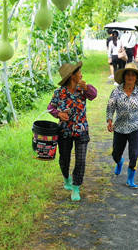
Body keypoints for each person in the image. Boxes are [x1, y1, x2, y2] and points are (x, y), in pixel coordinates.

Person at [47, 61, 98, 201]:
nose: (81, 74)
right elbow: (50, 108)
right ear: (72, 76)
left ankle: (76, 187)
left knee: (80, 160)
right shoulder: (59, 93)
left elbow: (94, 95)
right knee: (64, 159)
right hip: (64, 131)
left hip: (81, 130)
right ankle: (66, 178)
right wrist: (59, 114)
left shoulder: (83, 89)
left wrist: (86, 87)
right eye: (79, 72)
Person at [106, 63, 138, 189]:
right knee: (116, 153)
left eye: (133, 75)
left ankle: (130, 179)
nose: (130, 77)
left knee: (134, 154)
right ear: (124, 76)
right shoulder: (116, 91)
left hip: (135, 127)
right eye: (128, 74)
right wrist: (109, 120)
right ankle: (119, 161)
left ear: (136, 78)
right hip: (120, 127)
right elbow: (110, 107)